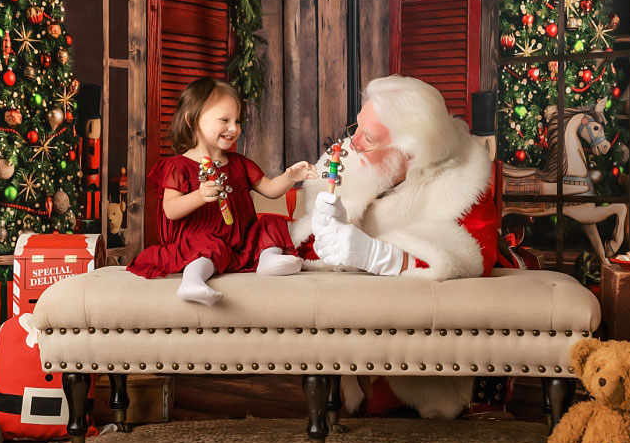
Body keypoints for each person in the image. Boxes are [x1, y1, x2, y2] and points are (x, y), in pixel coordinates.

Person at [289, 75, 500, 418]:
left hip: (422, 336)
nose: (351, 142)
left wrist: (378, 255)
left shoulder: (465, 179)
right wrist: (328, 228)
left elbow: (471, 258)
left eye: (368, 137)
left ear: (410, 153)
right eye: (355, 127)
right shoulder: (347, 158)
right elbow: (308, 246)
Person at [127, 77, 318, 306]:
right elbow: (171, 210)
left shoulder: (238, 163)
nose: (233, 128)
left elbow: (270, 189)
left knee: (270, 223)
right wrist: (199, 195)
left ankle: (268, 260)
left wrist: (290, 177)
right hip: (199, 243)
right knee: (209, 246)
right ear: (193, 121)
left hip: (240, 244)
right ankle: (192, 281)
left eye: (237, 121)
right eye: (224, 120)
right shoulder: (177, 166)